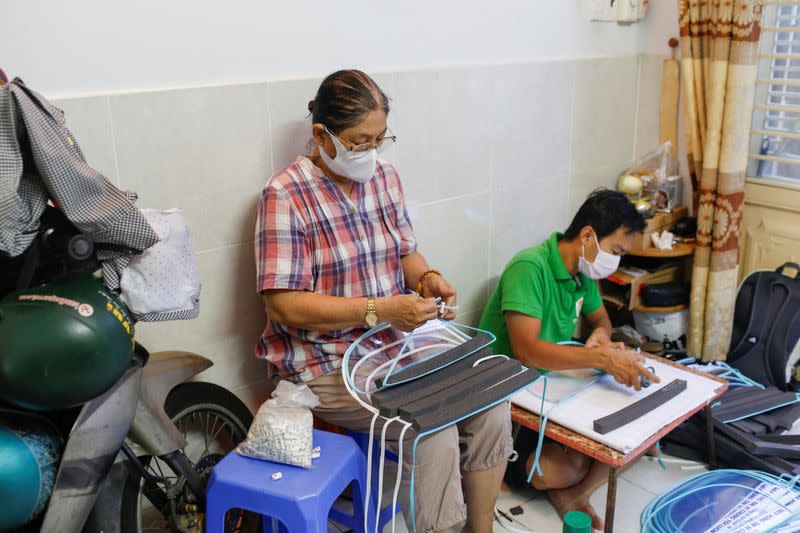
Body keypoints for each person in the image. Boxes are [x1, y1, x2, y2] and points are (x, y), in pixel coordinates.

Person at [255, 69, 512, 533]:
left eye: (379, 140)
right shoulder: (285, 196)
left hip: (395, 345)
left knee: (490, 405)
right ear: (321, 135)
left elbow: (405, 252)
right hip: (326, 362)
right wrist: (381, 309)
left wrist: (428, 277)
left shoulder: (384, 178)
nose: (369, 153)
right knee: (432, 430)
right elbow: (284, 306)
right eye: (358, 142)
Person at [479, 189, 658, 530]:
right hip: (511, 390)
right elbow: (526, 351)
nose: (616, 261)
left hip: (554, 384)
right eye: (616, 251)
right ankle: (571, 482)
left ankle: (576, 493)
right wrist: (600, 358)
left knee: (639, 427)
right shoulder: (530, 267)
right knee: (561, 469)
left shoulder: (582, 274)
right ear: (588, 235)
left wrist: (602, 338)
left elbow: (601, 321)